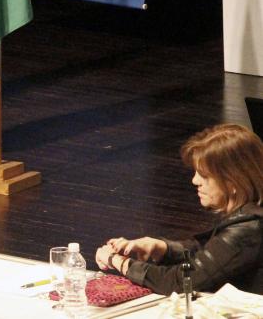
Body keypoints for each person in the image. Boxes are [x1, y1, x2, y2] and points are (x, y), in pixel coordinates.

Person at [96, 124, 263, 294]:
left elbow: (182, 282)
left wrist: (118, 262)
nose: (195, 181)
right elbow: (208, 255)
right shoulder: (250, 219)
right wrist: (161, 248)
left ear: (233, 182)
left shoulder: (248, 230)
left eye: (204, 176)